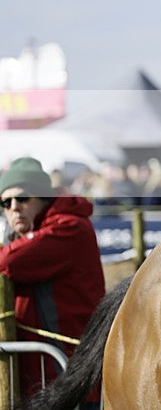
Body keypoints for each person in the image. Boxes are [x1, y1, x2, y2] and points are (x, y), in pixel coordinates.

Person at [0, 157, 105, 406]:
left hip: (69, 375)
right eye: (5, 202)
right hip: (39, 374)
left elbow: (9, 262)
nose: (14, 207)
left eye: (23, 198)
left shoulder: (69, 227)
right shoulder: (22, 235)